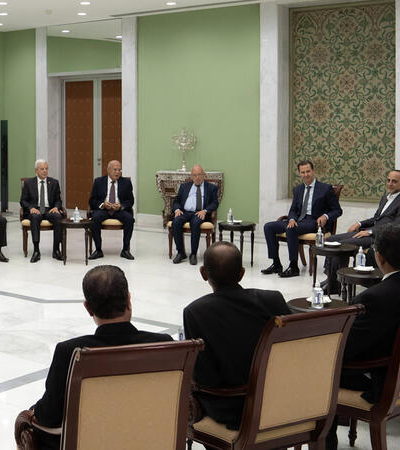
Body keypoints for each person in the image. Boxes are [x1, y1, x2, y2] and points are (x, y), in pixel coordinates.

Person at [25, 265, 173, 450]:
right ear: (129, 299)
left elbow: (49, 416)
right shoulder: (163, 344)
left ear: (88, 308)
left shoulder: (70, 352)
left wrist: (32, 411)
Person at [183, 241, 291, 429]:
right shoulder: (273, 299)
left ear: (203, 273)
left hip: (232, 409)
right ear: (242, 273)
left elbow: (205, 377)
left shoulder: (196, 312)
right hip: (279, 400)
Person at [326, 224, 400, 449]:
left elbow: (346, 349)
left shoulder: (373, 298)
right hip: (397, 373)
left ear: (379, 257)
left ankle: (324, 442)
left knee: (319, 368)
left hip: (381, 379)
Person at [322, 169, 400, 293]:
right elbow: (376, 218)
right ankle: (331, 278)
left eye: (394, 181)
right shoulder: (386, 197)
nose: (390, 184)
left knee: (342, 245)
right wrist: (359, 224)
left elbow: (396, 225)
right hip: (368, 232)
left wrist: (370, 232)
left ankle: (334, 285)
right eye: (388, 180)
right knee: (331, 239)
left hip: (380, 237)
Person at [262, 160, 342, 278]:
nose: (305, 175)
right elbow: (293, 210)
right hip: (298, 220)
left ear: (313, 171)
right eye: (303, 172)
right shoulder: (298, 189)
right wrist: (291, 219)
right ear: (299, 173)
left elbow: (337, 210)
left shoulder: (325, 188)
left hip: (314, 222)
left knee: (291, 229)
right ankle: (276, 264)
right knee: (268, 227)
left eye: (308, 171)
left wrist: (325, 216)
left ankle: (293, 266)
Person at [171, 165, 219, 266]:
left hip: (200, 213)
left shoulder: (211, 188)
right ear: (191, 176)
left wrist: (205, 210)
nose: (197, 177)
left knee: (195, 223)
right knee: (176, 222)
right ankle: (181, 253)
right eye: (194, 175)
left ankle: (193, 254)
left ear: (204, 175)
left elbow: (215, 203)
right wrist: (177, 210)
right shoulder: (184, 186)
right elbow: (176, 201)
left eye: (199, 174)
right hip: (185, 212)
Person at [88, 160, 135, 260]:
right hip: (104, 210)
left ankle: (125, 250)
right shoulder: (98, 181)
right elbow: (92, 200)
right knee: (95, 219)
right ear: (108, 170)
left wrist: (121, 206)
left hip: (119, 210)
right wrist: (103, 204)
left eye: (119, 170)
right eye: (115, 170)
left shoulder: (126, 182)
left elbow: (130, 201)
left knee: (129, 219)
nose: (117, 172)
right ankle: (98, 250)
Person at [20, 159, 63, 263]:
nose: (45, 171)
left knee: (58, 217)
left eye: (46, 169)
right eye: (42, 169)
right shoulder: (29, 183)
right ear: (36, 170)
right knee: (35, 217)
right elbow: (23, 201)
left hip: (49, 210)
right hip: (35, 210)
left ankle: (56, 250)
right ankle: (36, 251)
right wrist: (31, 208)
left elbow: (58, 200)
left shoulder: (54, 182)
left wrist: (56, 207)